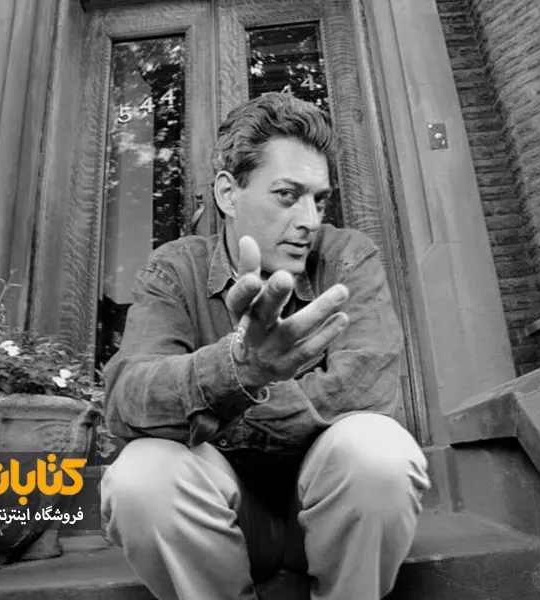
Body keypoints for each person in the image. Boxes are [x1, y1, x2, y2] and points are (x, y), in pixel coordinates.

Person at [100, 92, 430, 600]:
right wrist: (237, 370)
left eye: (319, 199)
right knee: (139, 477)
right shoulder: (175, 268)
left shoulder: (348, 257)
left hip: (324, 520)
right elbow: (128, 399)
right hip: (222, 520)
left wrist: (224, 405)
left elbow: (369, 394)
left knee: (379, 452)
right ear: (228, 194)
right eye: (287, 195)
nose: (310, 219)